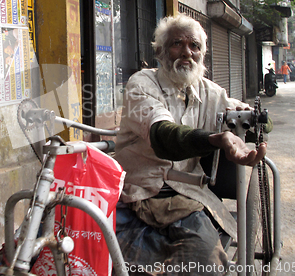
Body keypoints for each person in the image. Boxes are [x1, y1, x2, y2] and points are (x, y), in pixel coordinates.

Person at [114, 14, 269, 275]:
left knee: (205, 261)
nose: (187, 52)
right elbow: (163, 135)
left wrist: (252, 122)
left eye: (194, 46)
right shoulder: (142, 83)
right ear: (162, 51)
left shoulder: (211, 93)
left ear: (202, 54)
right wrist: (215, 139)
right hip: (136, 193)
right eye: (177, 44)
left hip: (186, 199)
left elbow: (254, 122)